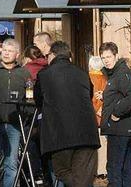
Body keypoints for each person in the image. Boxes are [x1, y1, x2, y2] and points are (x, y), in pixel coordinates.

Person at [34, 41, 100, 187]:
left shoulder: (44, 75)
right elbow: (89, 94)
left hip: (60, 134)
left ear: (52, 55)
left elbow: (39, 101)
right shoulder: (82, 73)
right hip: (87, 132)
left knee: (62, 171)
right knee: (84, 175)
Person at [0, 38, 30, 187]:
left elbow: (30, 97)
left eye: (10, 51)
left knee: (11, 163)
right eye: (4, 50)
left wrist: (25, 117)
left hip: (14, 125)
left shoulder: (24, 73)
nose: (6, 53)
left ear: (17, 54)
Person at [99, 41, 131, 186]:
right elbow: (121, 95)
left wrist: (116, 112)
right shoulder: (115, 74)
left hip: (120, 128)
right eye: (103, 57)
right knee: (126, 169)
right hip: (121, 129)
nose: (106, 60)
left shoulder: (121, 73)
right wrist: (106, 96)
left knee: (115, 169)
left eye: (109, 57)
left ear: (116, 56)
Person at [89, 55, 108, 179]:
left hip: (92, 116)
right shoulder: (106, 78)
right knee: (103, 145)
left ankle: (94, 170)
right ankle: (102, 170)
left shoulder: (90, 77)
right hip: (103, 115)